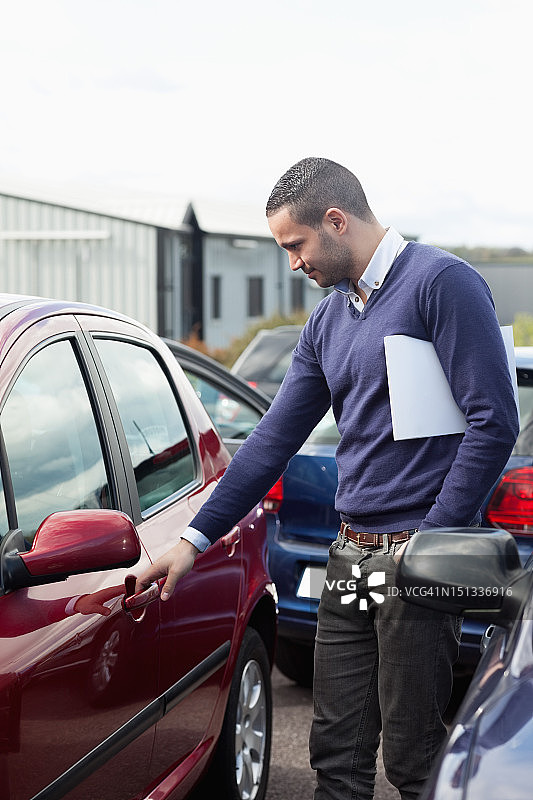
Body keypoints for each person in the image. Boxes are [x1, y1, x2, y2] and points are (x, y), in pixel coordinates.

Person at [136, 157, 519, 799]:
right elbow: (272, 441)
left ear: (336, 222)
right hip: (352, 559)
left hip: (418, 561)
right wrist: (193, 540)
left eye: (296, 245)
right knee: (335, 758)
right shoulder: (330, 318)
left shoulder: (440, 283)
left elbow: (494, 421)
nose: (293, 263)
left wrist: (430, 543)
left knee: (412, 758)